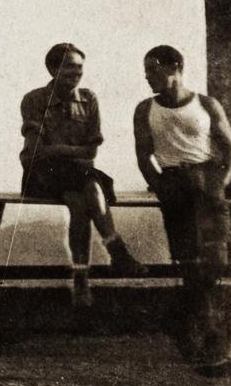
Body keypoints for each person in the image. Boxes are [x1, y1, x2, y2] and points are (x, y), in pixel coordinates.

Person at [134, 45, 231, 376]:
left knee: (216, 261)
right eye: (146, 70)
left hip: (207, 183)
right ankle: (212, 348)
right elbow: (143, 156)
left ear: (175, 67)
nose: (148, 75)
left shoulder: (206, 104)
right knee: (190, 263)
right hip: (174, 186)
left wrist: (220, 182)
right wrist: (161, 185)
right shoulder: (145, 109)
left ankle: (178, 321)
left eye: (153, 69)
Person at [20, 42, 146, 306]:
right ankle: (116, 251)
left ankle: (81, 281)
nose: (76, 73)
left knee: (81, 203)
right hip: (41, 173)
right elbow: (36, 151)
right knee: (87, 186)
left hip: (77, 172)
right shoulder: (34, 100)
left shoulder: (89, 99)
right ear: (53, 69)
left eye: (79, 67)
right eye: (68, 67)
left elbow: (91, 152)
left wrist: (58, 149)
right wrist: (71, 150)